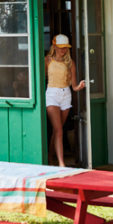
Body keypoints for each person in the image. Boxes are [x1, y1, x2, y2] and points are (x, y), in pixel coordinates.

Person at [45, 34, 85, 167]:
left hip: (65, 95)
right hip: (52, 94)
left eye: (65, 48)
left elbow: (73, 86)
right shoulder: (48, 60)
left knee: (58, 130)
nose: (63, 50)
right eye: (61, 47)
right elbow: (41, 78)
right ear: (54, 46)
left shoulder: (70, 62)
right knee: (58, 130)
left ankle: (50, 157)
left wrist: (79, 87)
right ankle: (61, 163)